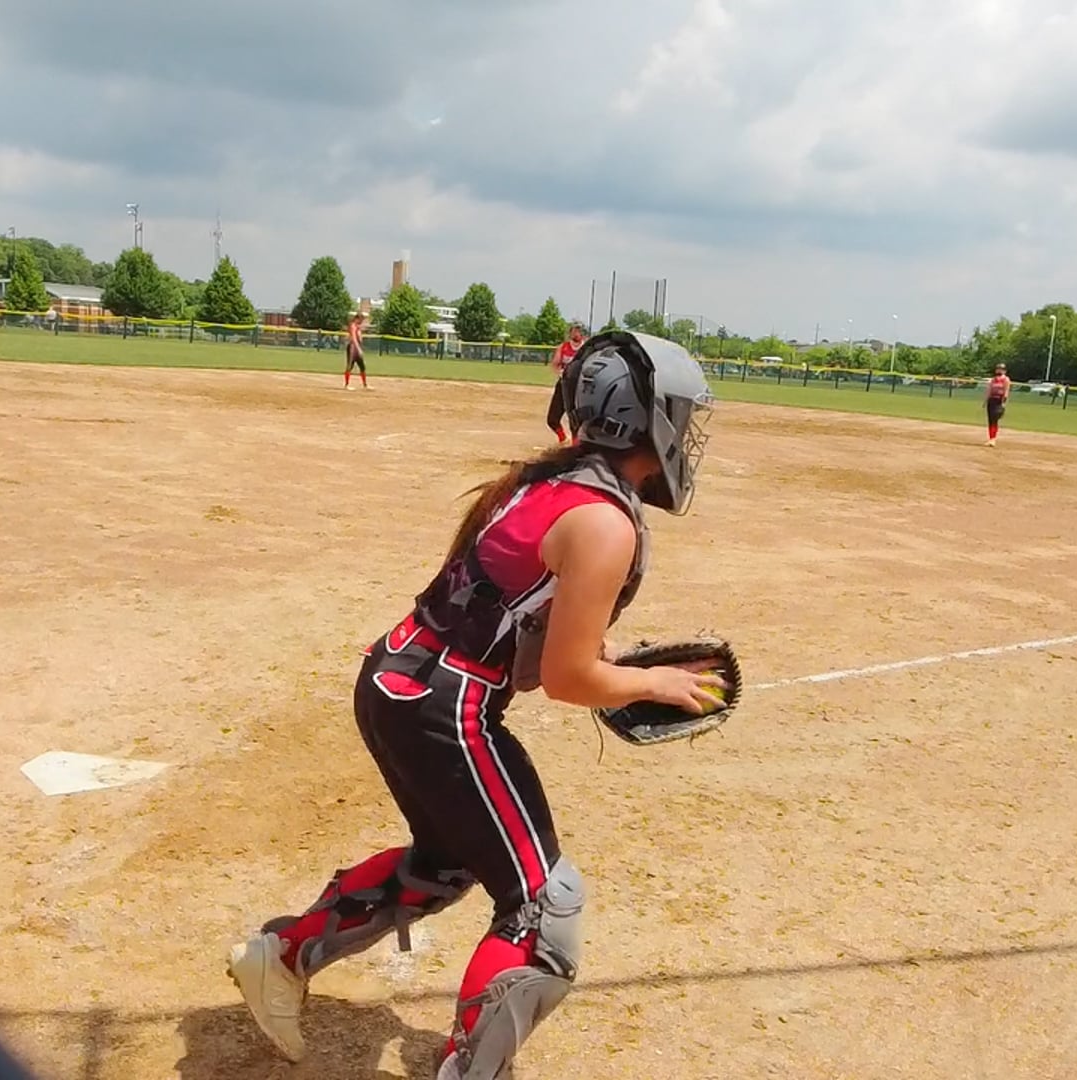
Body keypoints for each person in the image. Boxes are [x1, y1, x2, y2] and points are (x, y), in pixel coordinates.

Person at [226, 331, 724, 1079]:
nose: (688, 432)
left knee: (448, 862)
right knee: (544, 906)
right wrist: (654, 684)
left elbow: (509, 614)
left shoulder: (545, 482)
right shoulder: (605, 521)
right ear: (645, 419)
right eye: (683, 413)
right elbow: (566, 678)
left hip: (397, 678)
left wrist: (612, 659)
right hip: (445, 708)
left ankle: (285, 955)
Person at [544, 324, 587, 444]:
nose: (576, 334)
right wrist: (560, 372)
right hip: (564, 383)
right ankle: (563, 439)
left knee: (576, 420)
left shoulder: (587, 348)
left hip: (579, 386)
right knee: (552, 419)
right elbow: (555, 364)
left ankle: (576, 445)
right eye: (574, 331)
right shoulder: (564, 347)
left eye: (578, 331)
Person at [984, 363, 1011, 446]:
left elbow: (1006, 391)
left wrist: (1003, 403)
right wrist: (985, 401)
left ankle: (993, 439)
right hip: (991, 400)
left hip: (999, 400)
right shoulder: (993, 380)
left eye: (1001, 369)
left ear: (1004, 371)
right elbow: (989, 390)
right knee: (991, 420)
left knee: (995, 419)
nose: (999, 370)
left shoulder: (1006, 379)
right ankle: (991, 438)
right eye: (998, 369)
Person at [343, 310, 370, 390]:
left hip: (357, 347)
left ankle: (365, 385)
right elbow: (354, 338)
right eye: (361, 319)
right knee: (350, 366)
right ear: (357, 318)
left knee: (362, 366)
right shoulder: (353, 326)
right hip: (352, 347)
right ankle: (346, 385)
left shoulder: (357, 326)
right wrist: (358, 349)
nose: (362, 321)